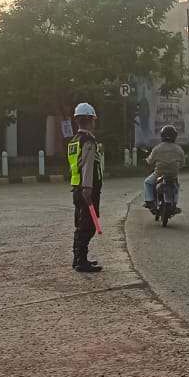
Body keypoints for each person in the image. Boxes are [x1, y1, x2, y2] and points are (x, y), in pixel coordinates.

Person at [67, 102, 105, 273]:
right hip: (87, 189)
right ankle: (81, 261)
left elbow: (75, 166)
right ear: (90, 120)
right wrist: (88, 188)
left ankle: (78, 258)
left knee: (80, 224)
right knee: (88, 226)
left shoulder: (74, 141)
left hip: (76, 187)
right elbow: (88, 166)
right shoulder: (88, 140)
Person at [144, 125, 185, 212]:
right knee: (176, 186)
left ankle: (149, 201)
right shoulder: (178, 149)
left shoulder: (157, 148)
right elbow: (182, 162)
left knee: (147, 182)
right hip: (173, 174)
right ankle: (174, 204)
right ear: (175, 136)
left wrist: (147, 161)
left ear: (162, 135)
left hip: (159, 173)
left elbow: (150, 161)